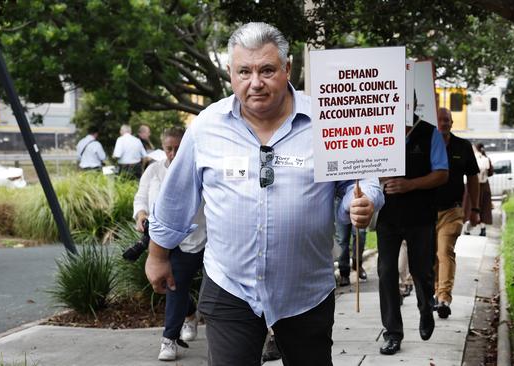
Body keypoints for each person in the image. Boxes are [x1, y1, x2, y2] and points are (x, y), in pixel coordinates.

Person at [144, 22, 383, 366]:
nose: (255, 82)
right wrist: (158, 254)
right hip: (230, 285)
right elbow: (176, 197)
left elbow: (357, 182)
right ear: (230, 73)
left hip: (305, 291)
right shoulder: (207, 127)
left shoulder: (327, 120)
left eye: (267, 70)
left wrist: (362, 202)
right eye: (244, 71)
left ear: (287, 69)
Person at [133, 126, 207, 361]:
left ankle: (196, 316)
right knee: (174, 286)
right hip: (168, 242)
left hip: (204, 238)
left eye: (178, 148)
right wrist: (141, 214)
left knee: (212, 293)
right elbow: (141, 197)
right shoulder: (154, 171)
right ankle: (170, 338)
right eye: (168, 149)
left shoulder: (199, 166)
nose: (174, 153)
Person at [376, 117, 448, 355]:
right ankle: (392, 333)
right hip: (388, 216)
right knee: (386, 271)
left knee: (421, 270)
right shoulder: (378, 127)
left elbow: (441, 173)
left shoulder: (429, 133)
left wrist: (411, 184)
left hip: (420, 216)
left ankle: (426, 308)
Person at [434, 108, 480, 319]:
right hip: (426, 211)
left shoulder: (463, 146)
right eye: (440, 120)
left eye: (447, 120)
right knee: (431, 256)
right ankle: (436, 293)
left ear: (452, 123)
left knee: (445, 251)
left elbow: (472, 178)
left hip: (452, 210)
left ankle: (444, 297)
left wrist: (475, 209)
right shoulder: (427, 145)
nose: (443, 123)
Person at [462, 143, 493, 236]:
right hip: (484, 186)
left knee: (470, 206)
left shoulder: (471, 158)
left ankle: (467, 229)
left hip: (472, 185)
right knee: (483, 207)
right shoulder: (487, 159)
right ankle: (483, 229)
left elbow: (467, 172)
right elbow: (490, 172)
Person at [335, 205, 367, 286]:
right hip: (340, 200)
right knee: (342, 239)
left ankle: (357, 264)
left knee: (360, 234)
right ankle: (344, 273)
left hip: (357, 200)